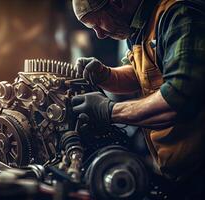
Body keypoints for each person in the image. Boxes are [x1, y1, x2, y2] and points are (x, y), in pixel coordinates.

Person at [71, 0, 205, 199]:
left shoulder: (179, 15)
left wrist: (109, 111)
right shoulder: (138, 26)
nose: (99, 34)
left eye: (98, 23)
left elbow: (178, 100)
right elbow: (141, 74)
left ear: (116, 4)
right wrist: (105, 75)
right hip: (179, 169)